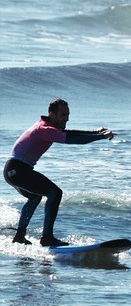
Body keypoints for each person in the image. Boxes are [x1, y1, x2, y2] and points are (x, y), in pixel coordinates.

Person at [4, 99, 114, 246]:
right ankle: (47, 237)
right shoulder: (44, 130)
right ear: (52, 114)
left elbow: (69, 132)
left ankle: (19, 236)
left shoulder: (48, 127)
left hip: (13, 170)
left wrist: (95, 132)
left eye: (68, 114)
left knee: (35, 197)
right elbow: (74, 140)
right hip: (17, 169)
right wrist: (101, 136)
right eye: (63, 115)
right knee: (55, 193)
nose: (67, 118)